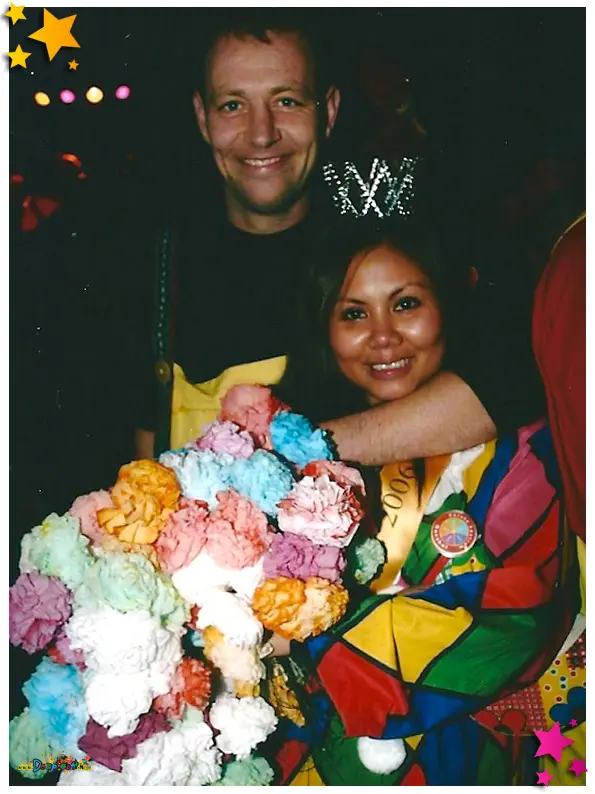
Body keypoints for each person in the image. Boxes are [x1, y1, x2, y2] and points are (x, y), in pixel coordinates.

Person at [132, 9, 546, 475]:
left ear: (327, 111)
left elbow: (521, 369)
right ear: (202, 117)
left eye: (287, 101)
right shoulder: (152, 268)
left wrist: (299, 454)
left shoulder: (381, 242)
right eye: (232, 105)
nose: (262, 134)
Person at [265, 219, 581, 786]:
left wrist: (325, 643)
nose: (383, 336)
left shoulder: (522, 455)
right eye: (353, 313)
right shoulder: (288, 465)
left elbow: (522, 608)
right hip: (309, 753)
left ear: (449, 303)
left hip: (459, 751)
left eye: (406, 304)